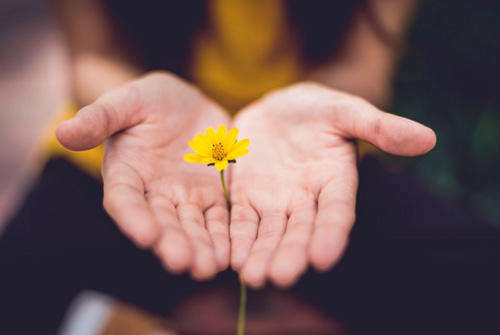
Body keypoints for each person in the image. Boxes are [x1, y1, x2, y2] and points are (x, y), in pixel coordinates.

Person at [1, 1, 499, 333]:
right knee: (18, 284)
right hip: (135, 158)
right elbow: (94, 53)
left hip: (307, 164)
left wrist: (323, 101)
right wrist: (125, 104)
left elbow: (364, 66)